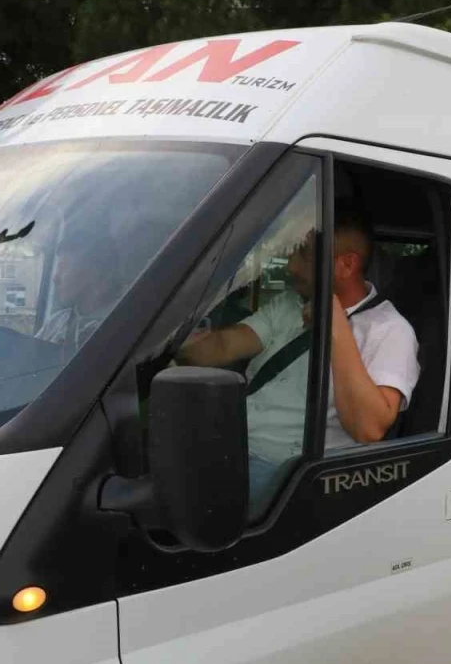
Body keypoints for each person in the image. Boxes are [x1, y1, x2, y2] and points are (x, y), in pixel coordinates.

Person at [177, 205, 419, 500]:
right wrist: (166, 341)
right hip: (229, 440)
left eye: (303, 254)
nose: (291, 266)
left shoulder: (390, 331)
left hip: (286, 473)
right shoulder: (289, 304)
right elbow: (222, 347)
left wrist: (336, 324)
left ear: (345, 266)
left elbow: (368, 428)